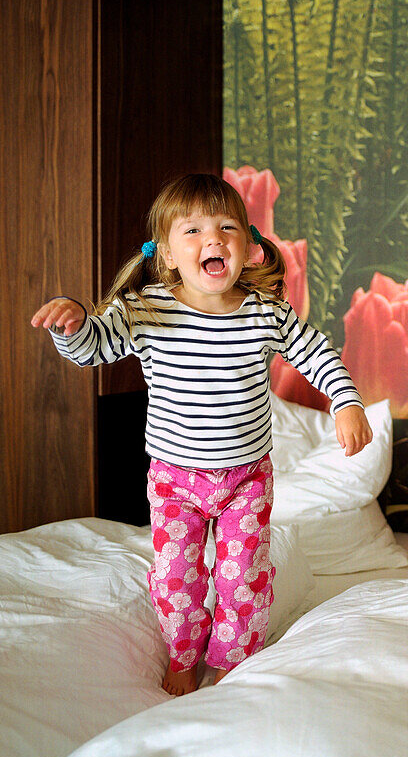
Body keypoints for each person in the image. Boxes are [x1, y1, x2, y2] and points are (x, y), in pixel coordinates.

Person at [31, 173, 373, 697]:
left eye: (227, 228)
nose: (212, 240)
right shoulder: (146, 311)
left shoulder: (266, 312)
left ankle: (231, 660)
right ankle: (184, 655)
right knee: (175, 576)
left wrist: (346, 401)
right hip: (174, 481)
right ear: (166, 254)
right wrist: (73, 325)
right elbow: (93, 349)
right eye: (192, 231)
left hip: (246, 480)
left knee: (242, 578)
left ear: (248, 247)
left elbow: (318, 354)